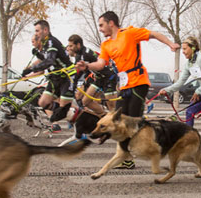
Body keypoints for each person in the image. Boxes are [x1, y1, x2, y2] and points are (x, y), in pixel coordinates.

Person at [75, 10, 179, 169]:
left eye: (102, 25)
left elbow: (154, 34)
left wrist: (171, 44)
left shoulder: (130, 33)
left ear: (111, 23)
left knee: (133, 121)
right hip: (123, 85)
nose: (100, 29)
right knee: (119, 121)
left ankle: (159, 140)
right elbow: (101, 63)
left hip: (138, 81)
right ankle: (128, 156)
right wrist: (87, 66)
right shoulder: (106, 44)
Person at [21, 19, 73, 129]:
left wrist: (31, 69)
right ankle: (66, 113)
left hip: (66, 77)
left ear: (45, 30)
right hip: (54, 78)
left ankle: (79, 122)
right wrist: (29, 69)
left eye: (37, 31)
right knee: (43, 102)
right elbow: (42, 61)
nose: (36, 34)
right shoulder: (44, 45)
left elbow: (49, 61)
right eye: (35, 31)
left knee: (65, 106)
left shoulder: (51, 41)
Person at [68, 34, 117, 116]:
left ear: (78, 44)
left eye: (71, 46)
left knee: (112, 106)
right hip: (98, 78)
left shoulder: (86, 54)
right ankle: (103, 116)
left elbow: (79, 73)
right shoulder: (79, 55)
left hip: (109, 77)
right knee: (85, 101)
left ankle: (117, 123)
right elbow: (78, 72)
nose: (69, 48)